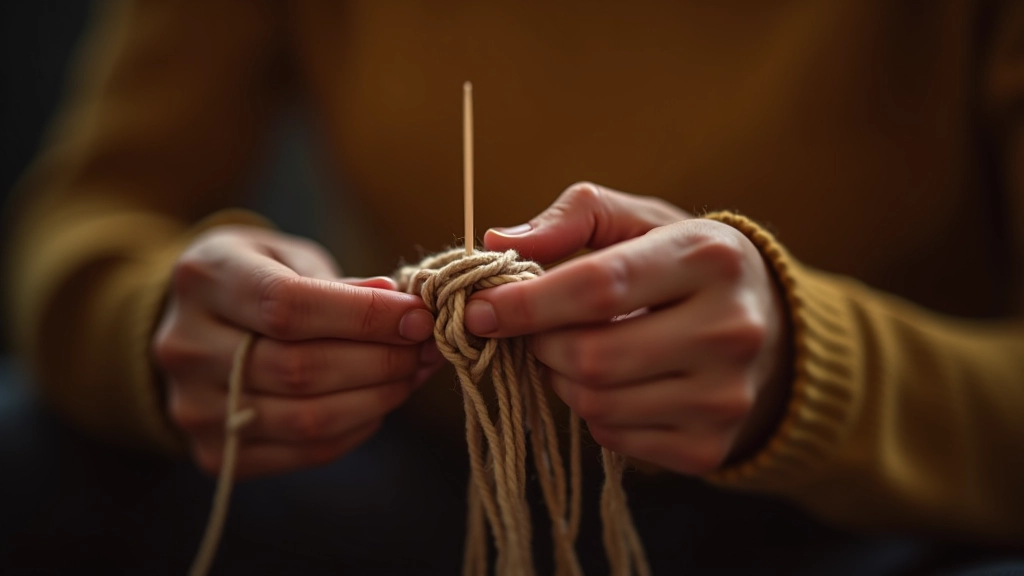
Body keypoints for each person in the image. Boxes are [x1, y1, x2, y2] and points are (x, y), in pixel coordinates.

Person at [6, 0, 1024, 572]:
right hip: (421, 486)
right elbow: (87, 215)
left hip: (875, 524)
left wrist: (812, 375)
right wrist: (158, 326)